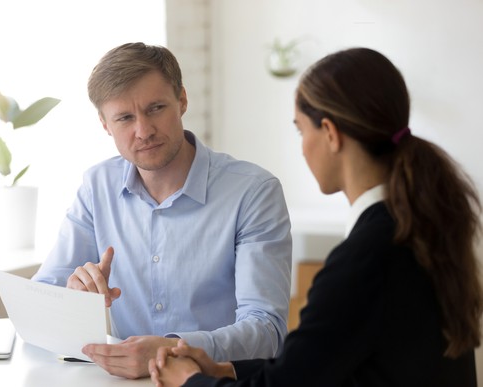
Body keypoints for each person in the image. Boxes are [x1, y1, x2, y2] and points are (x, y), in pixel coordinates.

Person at [149, 47, 483, 387]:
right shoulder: (416, 227)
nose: (303, 145)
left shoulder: (367, 256)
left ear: (330, 133)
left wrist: (188, 381)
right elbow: (322, 362)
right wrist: (227, 370)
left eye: (301, 130)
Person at [31, 42, 293, 379]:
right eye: (125, 118)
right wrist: (72, 300)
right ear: (104, 124)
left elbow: (266, 333)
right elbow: (39, 304)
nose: (143, 131)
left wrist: (172, 348)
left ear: (182, 100)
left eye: (156, 108)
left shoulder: (253, 192)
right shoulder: (97, 187)